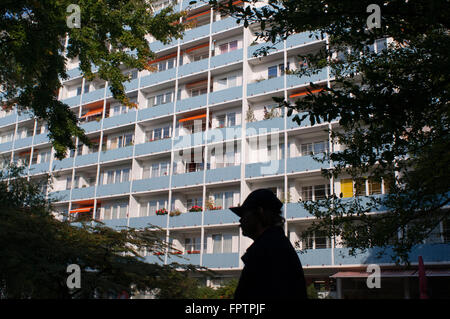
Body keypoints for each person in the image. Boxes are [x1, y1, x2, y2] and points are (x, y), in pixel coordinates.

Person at [230, 188, 307, 299]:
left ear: (260, 212)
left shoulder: (266, 250)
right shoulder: (275, 244)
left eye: (244, 214)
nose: (240, 221)